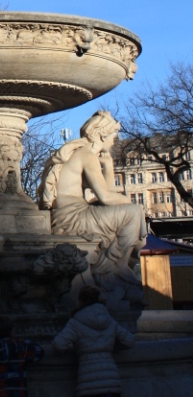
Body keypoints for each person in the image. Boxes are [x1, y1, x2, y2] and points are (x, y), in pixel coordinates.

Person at [39, 111, 146, 309]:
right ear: (103, 134)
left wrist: (108, 167)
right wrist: (132, 204)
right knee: (133, 212)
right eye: (113, 136)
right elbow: (106, 197)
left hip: (70, 214)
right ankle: (118, 265)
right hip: (74, 217)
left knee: (131, 211)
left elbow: (105, 196)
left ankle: (114, 264)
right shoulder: (86, 154)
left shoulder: (79, 152)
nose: (114, 141)